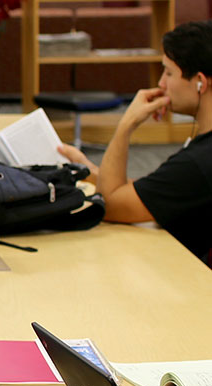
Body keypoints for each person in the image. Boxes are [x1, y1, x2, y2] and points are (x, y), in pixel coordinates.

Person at [58, 20, 212, 264]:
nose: (161, 84)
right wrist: (90, 171)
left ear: (200, 82)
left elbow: (110, 204)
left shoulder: (198, 162)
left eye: (168, 72)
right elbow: (155, 191)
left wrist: (126, 124)